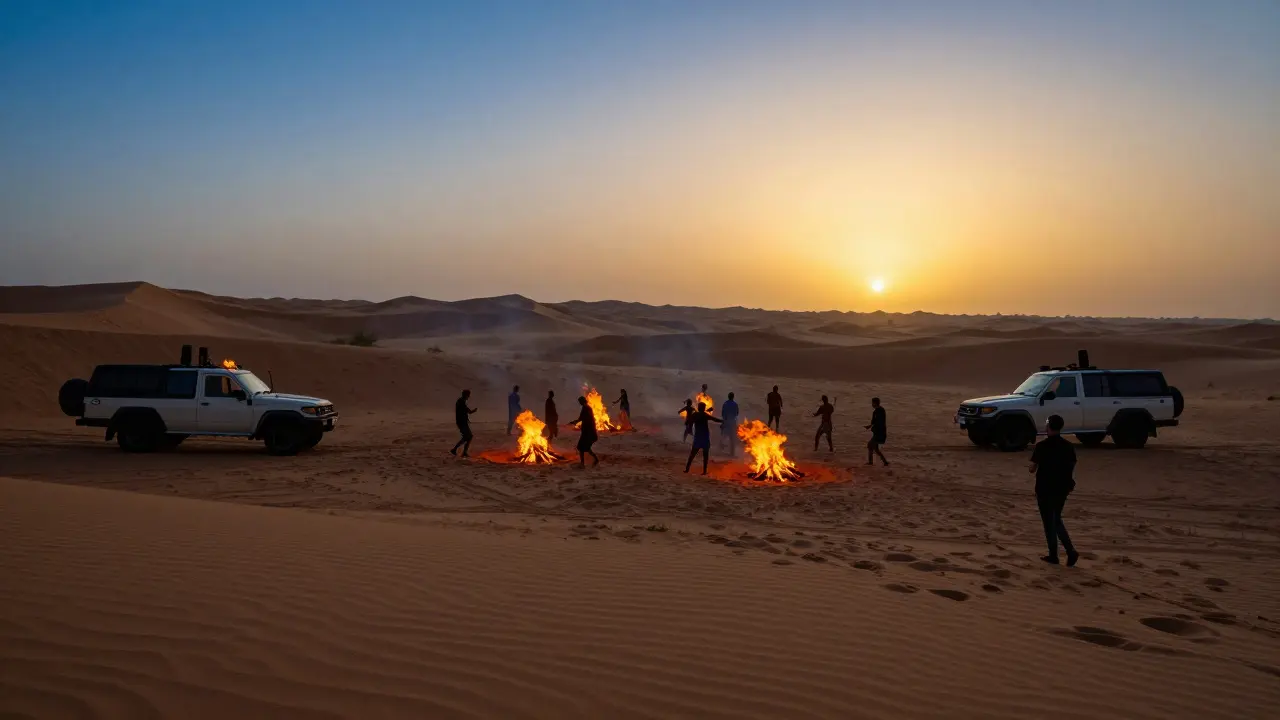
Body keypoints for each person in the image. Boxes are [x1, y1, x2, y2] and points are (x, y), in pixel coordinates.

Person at [1028, 415, 1080, 566]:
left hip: (1045, 487)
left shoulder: (1042, 446)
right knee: (1055, 518)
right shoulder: (1068, 446)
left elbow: (1032, 468)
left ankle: (1061, 553)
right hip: (1062, 487)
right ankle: (1063, 553)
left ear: (1048, 426)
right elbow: (1071, 465)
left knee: (1050, 521)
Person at [684, 402, 723, 474]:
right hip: (705, 437)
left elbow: (687, 422)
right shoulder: (705, 415)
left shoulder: (695, 415)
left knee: (692, 454)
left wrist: (689, 422)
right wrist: (723, 421)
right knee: (705, 455)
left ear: (698, 408)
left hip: (698, 437)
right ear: (704, 408)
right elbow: (714, 419)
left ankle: (687, 469)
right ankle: (704, 471)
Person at [569, 395, 600, 467]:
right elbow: (583, 419)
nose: (579, 403)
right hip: (589, 431)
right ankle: (595, 460)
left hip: (587, 431)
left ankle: (583, 463)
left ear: (582, 401)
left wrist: (574, 422)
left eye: (580, 401)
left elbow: (581, 419)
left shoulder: (585, 408)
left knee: (581, 447)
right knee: (585, 447)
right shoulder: (588, 408)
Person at [450, 389, 477, 457]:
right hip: (462, 422)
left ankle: (461, 451)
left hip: (462, 422)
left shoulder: (461, 401)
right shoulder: (461, 402)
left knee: (468, 437)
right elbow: (468, 411)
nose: (468, 397)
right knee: (468, 436)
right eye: (468, 395)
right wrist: (474, 411)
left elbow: (467, 411)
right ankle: (456, 450)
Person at [866, 397, 889, 466]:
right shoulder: (877, 411)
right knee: (875, 448)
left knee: (870, 445)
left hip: (879, 433)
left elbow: (879, 422)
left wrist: (873, 427)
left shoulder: (879, 411)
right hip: (878, 432)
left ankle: (870, 462)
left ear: (875, 403)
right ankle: (885, 462)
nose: (872, 404)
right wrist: (870, 426)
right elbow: (875, 422)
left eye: (872, 403)